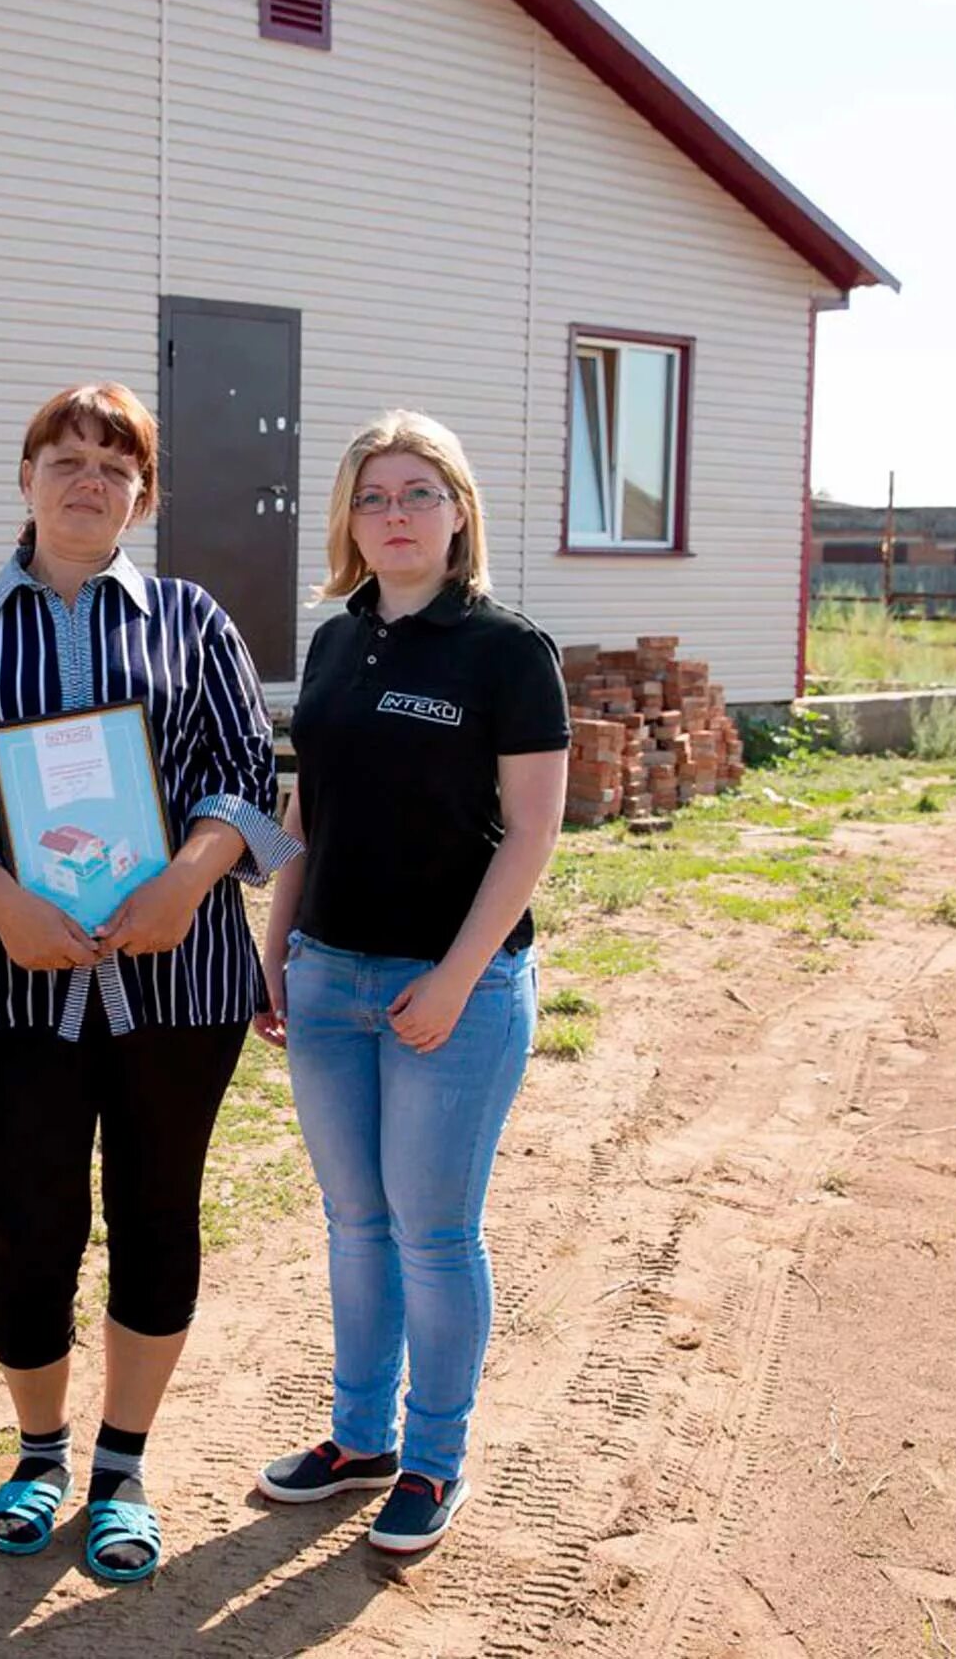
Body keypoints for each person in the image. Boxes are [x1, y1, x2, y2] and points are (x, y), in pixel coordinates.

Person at [0, 383, 296, 1584]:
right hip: (15, 983)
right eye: (64, 458)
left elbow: (243, 767)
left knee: (156, 1218)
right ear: (24, 476)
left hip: (179, 978)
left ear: (143, 494)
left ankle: (121, 1464)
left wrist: (187, 879)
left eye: (114, 466)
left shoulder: (192, 617)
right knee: (28, 1230)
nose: (88, 481)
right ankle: (37, 1451)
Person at [251, 410, 569, 1555]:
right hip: (327, 977)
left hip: (456, 993)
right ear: (348, 517)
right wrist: (273, 943)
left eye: (417, 493)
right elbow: (305, 808)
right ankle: (357, 1437)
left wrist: (451, 977)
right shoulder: (335, 642)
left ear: (458, 511)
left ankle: (432, 1460)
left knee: (433, 1233)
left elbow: (531, 833)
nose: (395, 514)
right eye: (374, 495)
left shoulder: (505, 650)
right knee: (353, 1222)